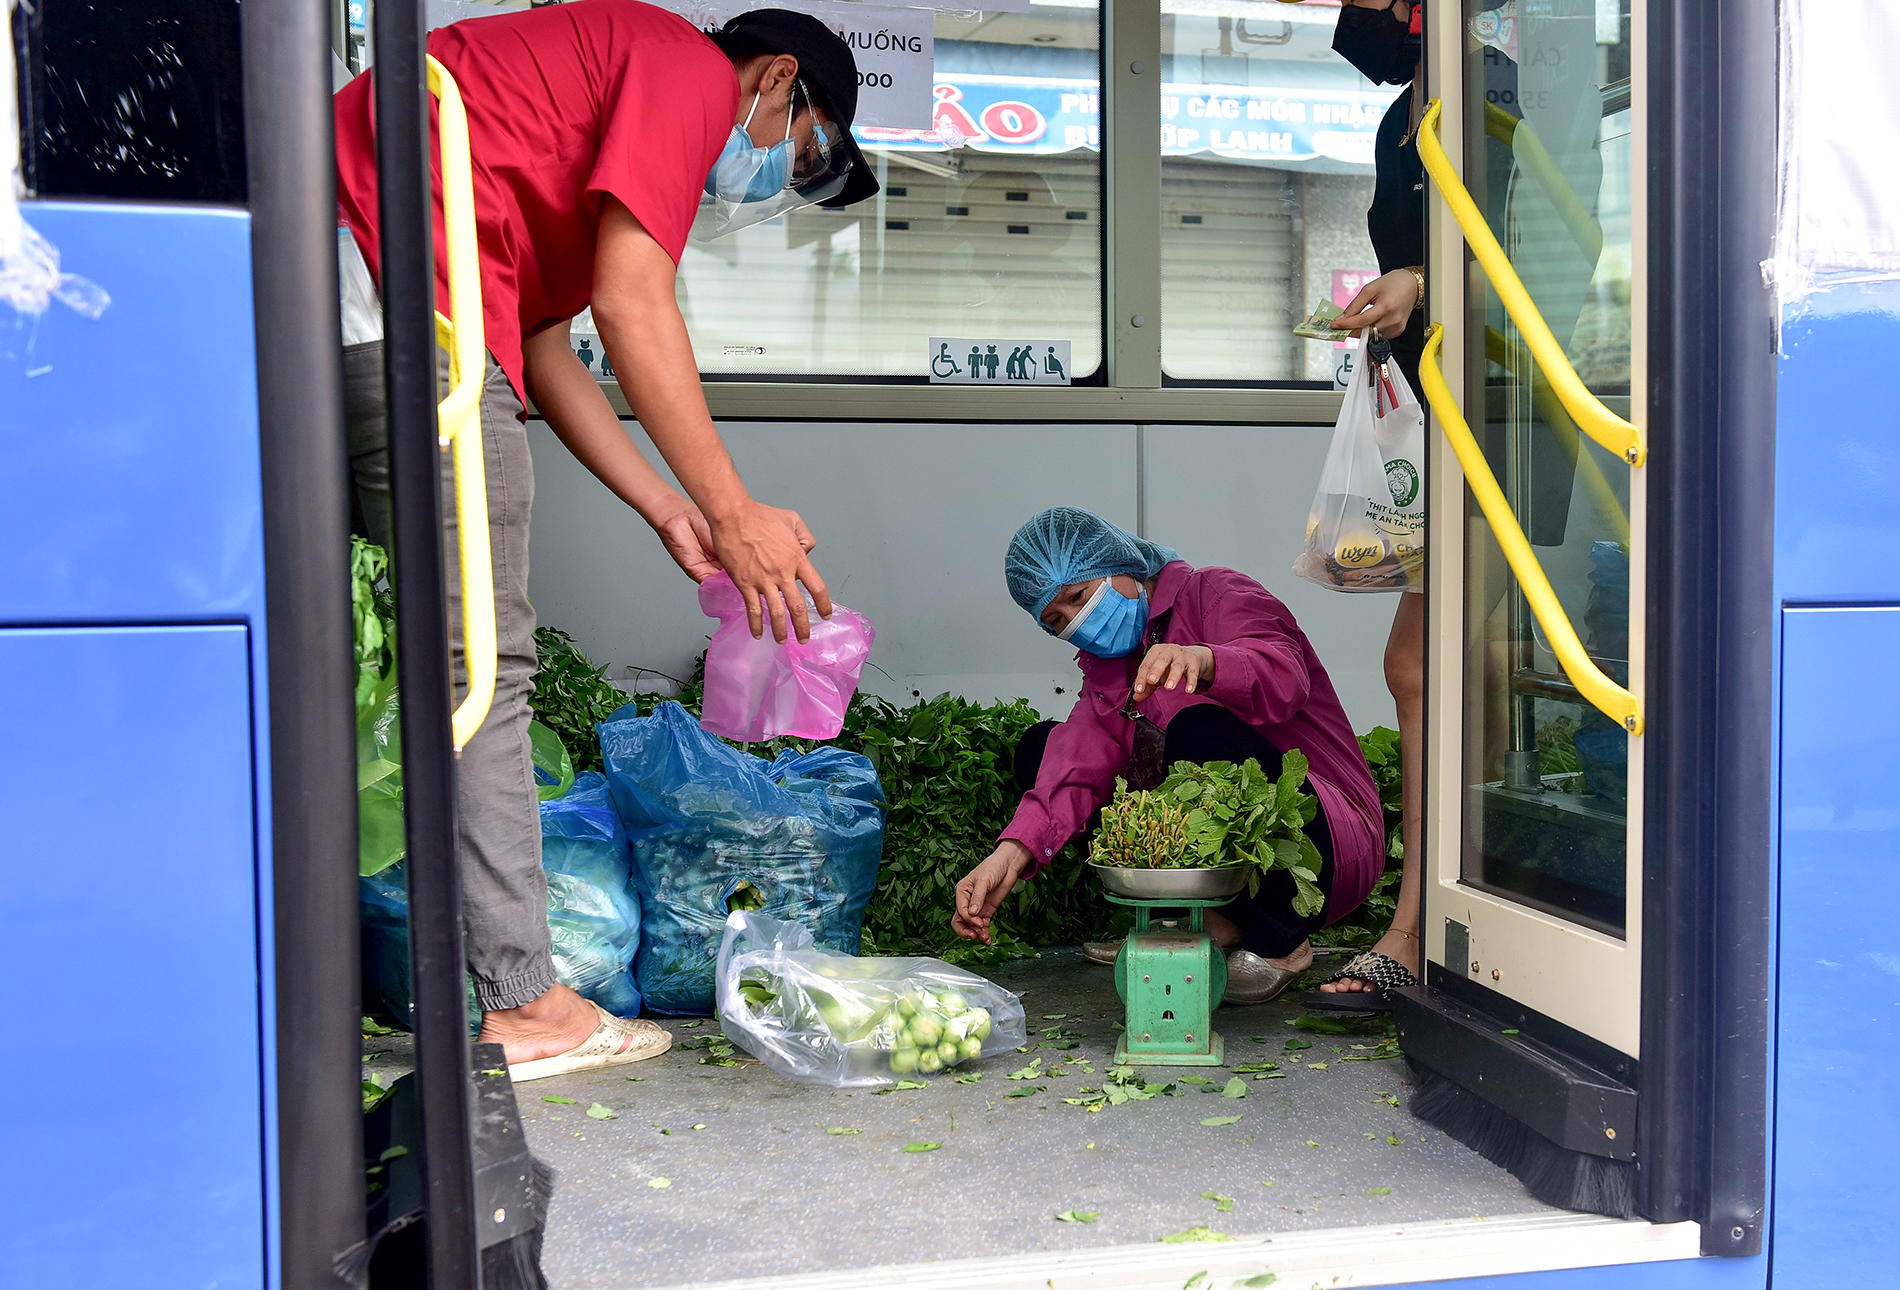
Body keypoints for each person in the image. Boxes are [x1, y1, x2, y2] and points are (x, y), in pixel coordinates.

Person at [332, 2, 879, 1079]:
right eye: (801, 146)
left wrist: (668, 507)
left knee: (361, 645)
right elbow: (636, 307)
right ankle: (524, 1001)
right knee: (480, 661)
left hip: (361, 284)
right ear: (775, 79)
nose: (778, 171)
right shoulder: (683, 71)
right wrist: (734, 509)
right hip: (409, 304)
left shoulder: (578, 122)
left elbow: (545, 346)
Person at [951, 508, 1386, 1005]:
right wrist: (1010, 853)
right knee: (1043, 747)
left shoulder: (1216, 591)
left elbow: (1285, 677)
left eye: (1078, 596)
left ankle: (1281, 942)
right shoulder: (1107, 672)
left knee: (1195, 730)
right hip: (1236, 857)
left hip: (1326, 839)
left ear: (1119, 563)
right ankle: (1207, 922)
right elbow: (1075, 766)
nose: (1077, 622)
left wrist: (1204, 661)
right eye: (1057, 620)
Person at [1307, 0, 1428, 1005]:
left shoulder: (1500, 95)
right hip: (1427, 410)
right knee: (1424, 666)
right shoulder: (1405, 115)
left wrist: (1422, 280)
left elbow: (1528, 249)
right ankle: (1423, 917)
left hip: (1492, 411)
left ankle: (1418, 926)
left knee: (1424, 665)